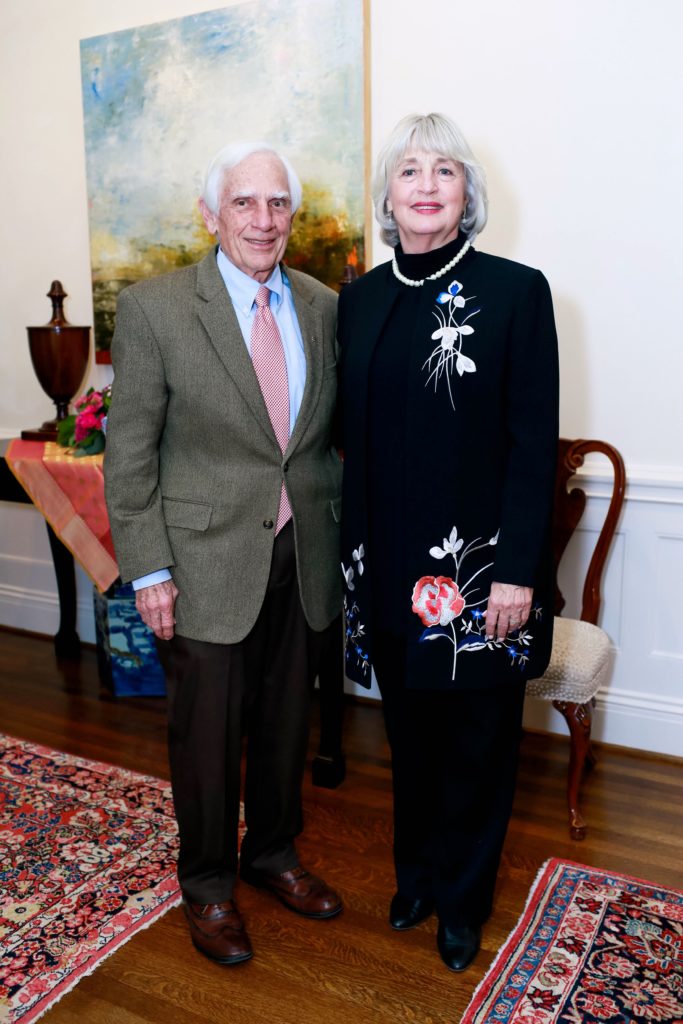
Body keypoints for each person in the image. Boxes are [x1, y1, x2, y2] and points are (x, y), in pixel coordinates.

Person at [104, 141, 343, 966]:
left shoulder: (322, 306)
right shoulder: (156, 308)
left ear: (291, 215)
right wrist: (150, 569)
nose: (262, 219)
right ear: (211, 215)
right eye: (244, 202)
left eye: (277, 203)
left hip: (302, 553)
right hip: (201, 561)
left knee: (285, 723)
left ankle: (272, 853)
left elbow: (322, 441)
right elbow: (130, 453)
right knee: (206, 737)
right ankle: (207, 885)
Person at [338, 113, 559, 972]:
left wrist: (517, 575)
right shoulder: (359, 299)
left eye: (443, 170)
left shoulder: (516, 291)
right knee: (410, 738)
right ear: (387, 195)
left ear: (467, 193)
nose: (425, 185)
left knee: (476, 745)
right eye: (408, 170)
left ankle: (463, 902)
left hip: (476, 573)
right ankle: (419, 876)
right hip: (384, 566)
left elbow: (532, 448)